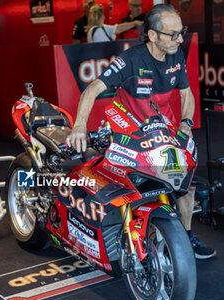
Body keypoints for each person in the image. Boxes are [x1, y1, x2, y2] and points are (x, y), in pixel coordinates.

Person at [67, 4, 217, 259]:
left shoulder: (176, 54)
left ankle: (186, 234)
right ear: (153, 35)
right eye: (173, 34)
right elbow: (92, 89)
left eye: (182, 32)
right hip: (131, 124)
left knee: (183, 181)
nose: (180, 39)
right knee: (138, 182)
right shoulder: (130, 59)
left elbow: (186, 93)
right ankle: (129, 232)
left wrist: (186, 123)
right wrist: (80, 126)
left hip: (163, 123)